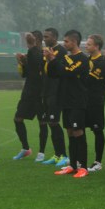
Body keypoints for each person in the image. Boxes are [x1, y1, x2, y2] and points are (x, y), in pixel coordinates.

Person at [45, 30, 90, 178]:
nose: (64, 44)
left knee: (78, 132)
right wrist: (50, 60)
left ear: (74, 42)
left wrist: (55, 60)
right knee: (70, 132)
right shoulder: (65, 58)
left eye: (67, 42)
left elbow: (68, 72)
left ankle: (83, 167)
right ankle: (72, 164)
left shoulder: (83, 59)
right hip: (66, 101)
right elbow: (53, 74)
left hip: (78, 101)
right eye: (64, 41)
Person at [12, 31, 46, 161]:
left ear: (37, 40)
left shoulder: (42, 53)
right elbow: (25, 74)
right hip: (28, 93)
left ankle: (41, 152)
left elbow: (39, 65)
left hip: (41, 94)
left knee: (43, 122)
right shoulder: (31, 54)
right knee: (18, 119)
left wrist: (31, 46)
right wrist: (21, 62)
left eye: (31, 39)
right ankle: (25, 148)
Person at [40, 28, 69, 166]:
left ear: (54, 37)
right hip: (46, 91)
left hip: (56, 92)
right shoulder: (45, 50)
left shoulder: (62, 52)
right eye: (43, 36)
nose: (44, 38)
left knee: (54, 122)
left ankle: (63, 155)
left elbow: (61, 72)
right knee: (50, 123)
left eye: (47, 36)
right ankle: (57, 154)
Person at [84, 34, 105, 173]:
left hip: (96, 101)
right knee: (79, 128)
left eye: (89, 44)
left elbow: (88, 80)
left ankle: (98, 161)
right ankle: (79, 160)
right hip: (84, 100)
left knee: (97, 130)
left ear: (96, 46)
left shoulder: (101, 61)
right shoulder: (87, 59)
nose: (86, 46)